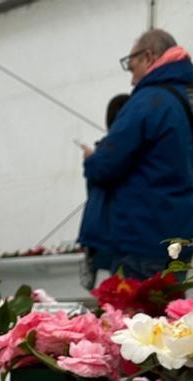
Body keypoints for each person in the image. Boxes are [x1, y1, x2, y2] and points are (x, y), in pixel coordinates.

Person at [81, 29, 193, 280]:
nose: (132, 81)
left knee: (133, 316)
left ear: (149, 57)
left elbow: (105, 165)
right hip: (182, 232)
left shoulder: (147, 101)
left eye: (132, 69)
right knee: (169, 316)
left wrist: (91, 160)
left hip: (141, 236)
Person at [78, 93, 132, 289]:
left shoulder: (103, 150)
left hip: (99, 229)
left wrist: (90, 160)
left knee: (115, 287)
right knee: (124, 287)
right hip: (117, 229)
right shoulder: (123, 150)